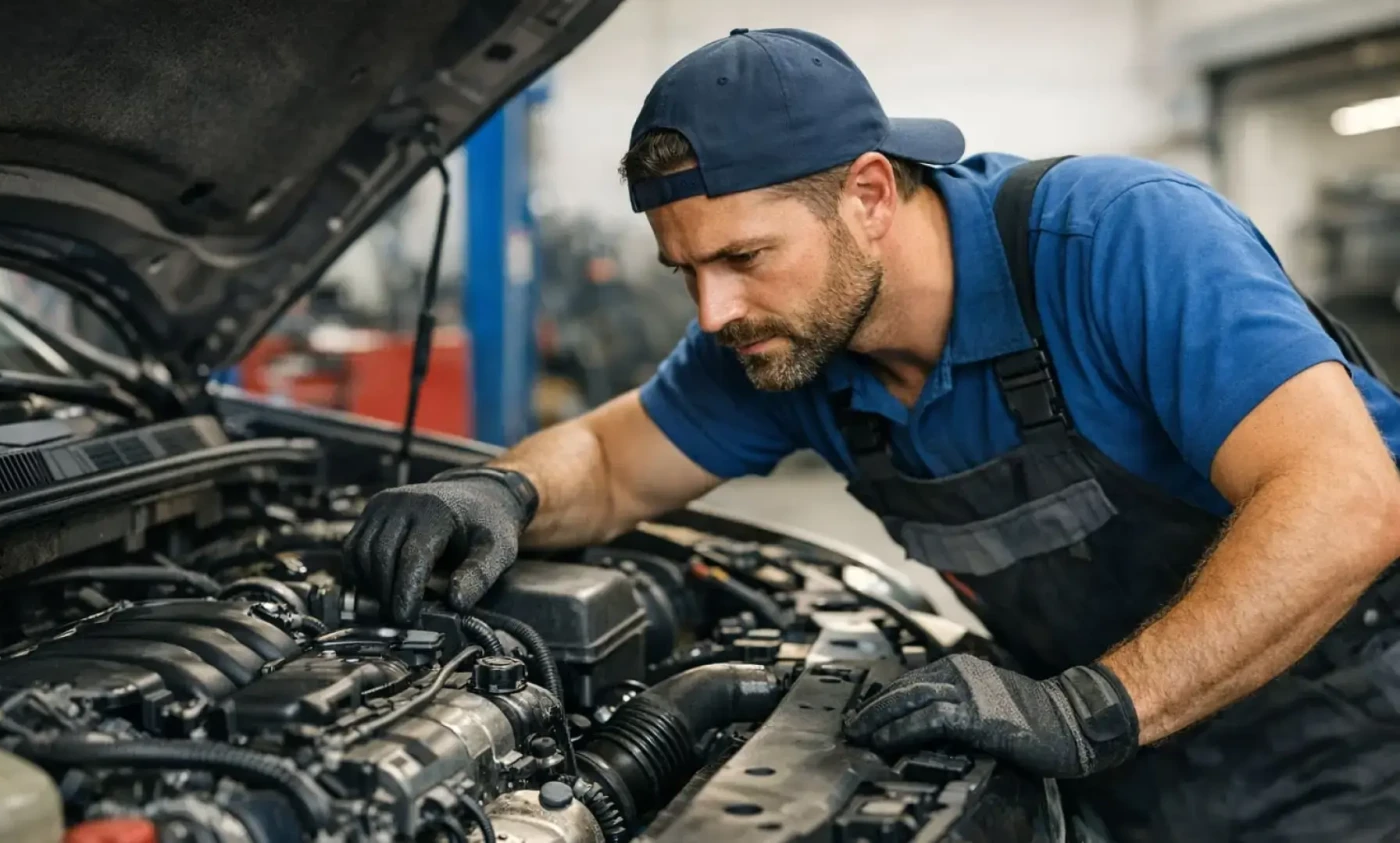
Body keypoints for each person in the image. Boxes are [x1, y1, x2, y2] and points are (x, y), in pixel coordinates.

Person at [343, 27, 1400, 840]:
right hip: (1133, 765)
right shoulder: (784, 345)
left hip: (1357, 748)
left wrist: (1088, 710)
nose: (714, 312)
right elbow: (614, 462)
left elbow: (1347, 500)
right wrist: (501, 491)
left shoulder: (1113, 239)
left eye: (745, 258)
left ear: (869, 194)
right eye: (687, 270)